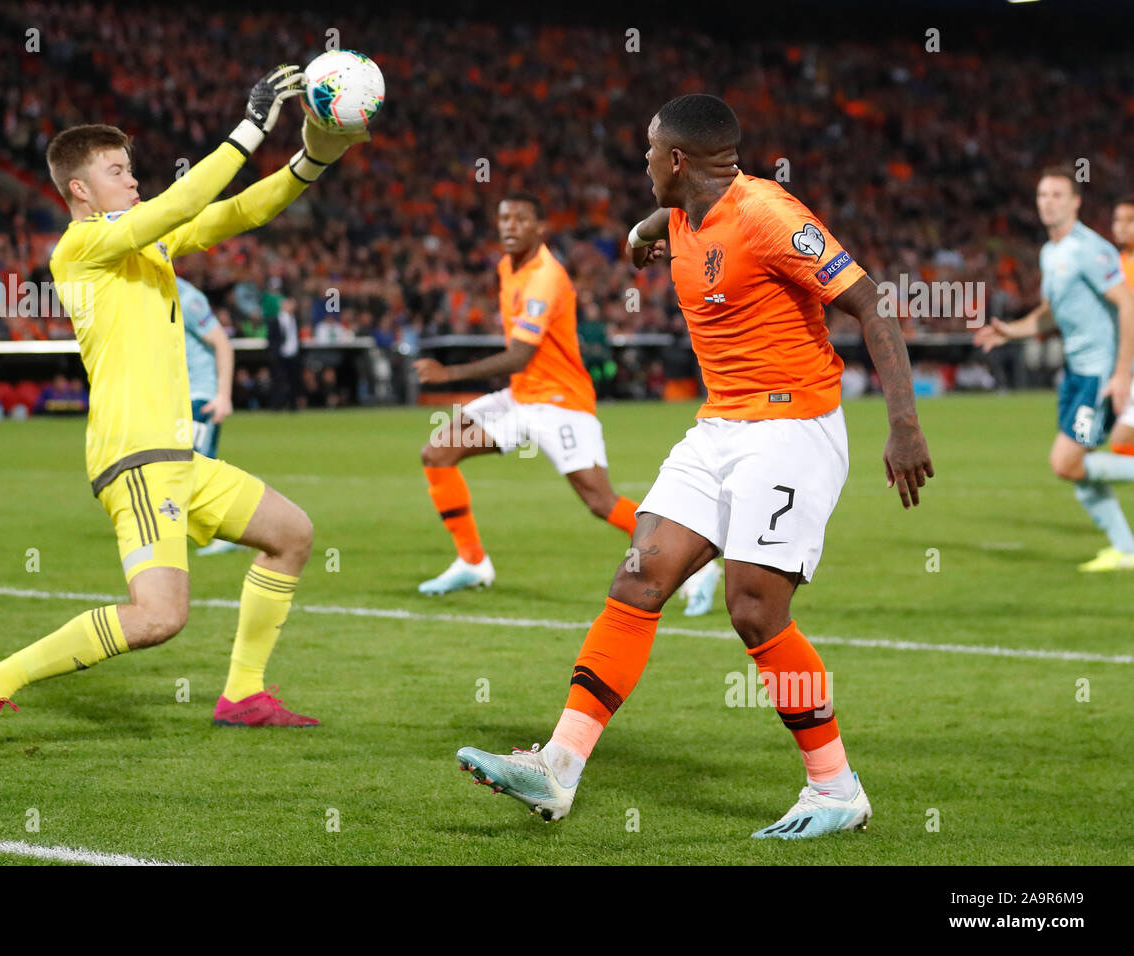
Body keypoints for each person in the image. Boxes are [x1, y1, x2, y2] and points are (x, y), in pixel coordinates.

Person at [456, 94, 933, 839]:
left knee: (753, 608)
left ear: (677, 161)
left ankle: (836, 788)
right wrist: (644, 228)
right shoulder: (680, 211)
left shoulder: (769, 216)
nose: (643, 164)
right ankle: (557, 767)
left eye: (650, 153)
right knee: (640, 576)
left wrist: (902, 425)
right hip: (719, 425)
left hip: (793, 426)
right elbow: (660, 222)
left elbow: (873, 305)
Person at [0, 65, 368, 757]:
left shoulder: (145, 239)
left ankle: (244, 694)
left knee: (291, 533)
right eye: (118, 171)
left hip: (181, 456)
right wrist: (251, 125)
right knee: (159, 617)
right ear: (80, 190)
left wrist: (313, 157)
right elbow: (178, 203)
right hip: (136, 457)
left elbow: (237, 211)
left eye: (131, 168)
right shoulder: (80, 248)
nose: (133, 178)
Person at [412, 193, 641, 594]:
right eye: (504, 218)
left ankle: (692, 561)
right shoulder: (507, 267)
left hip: (559, 403)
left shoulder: (545, 276)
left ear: (540, 228)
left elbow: (519, 355)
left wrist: (449, 373)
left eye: (520, 219)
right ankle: (472, 561)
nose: (509, 226)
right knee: (438, 452)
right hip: (520, 398)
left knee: (601, 502)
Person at [974, 171, 1134, 571]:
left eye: (1057, 194)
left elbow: (1128, 305)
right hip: (1077, 374)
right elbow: (1050, 315)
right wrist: (1010, 331)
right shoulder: (1051, 252)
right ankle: (1126, 549)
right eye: (1042, 194)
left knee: (1066, 462)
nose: (1047, 202)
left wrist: (1121, 374)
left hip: (1098, 375)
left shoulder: (1090, 249)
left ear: (1076, 201)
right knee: (1077, 468)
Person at [179, 275, 242, 557]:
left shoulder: (187, 298)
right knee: (183, 466)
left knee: (196, 466)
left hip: (201, 395)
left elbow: (222, 343)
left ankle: (230, 531)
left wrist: (223, 396)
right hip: (178, 397)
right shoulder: (154, 295)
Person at [1101, 196, 1134, 456]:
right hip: (1121, 365)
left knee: (1121, 442)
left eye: (1130, 221)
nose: (1121, 227)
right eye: (1117, 220)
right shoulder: (1111, 265)